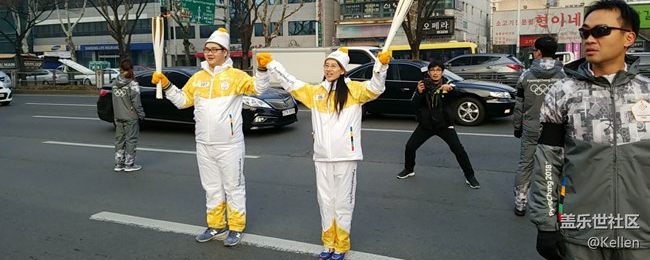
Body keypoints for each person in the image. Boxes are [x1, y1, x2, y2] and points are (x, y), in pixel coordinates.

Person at [530, 0, 650, 260]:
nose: (589, 39)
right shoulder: (562, 92)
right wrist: (546, 223)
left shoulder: (647, 92)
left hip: (642, 237)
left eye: (601, 31)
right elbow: (547, 163)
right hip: (580, 236)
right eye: (585, 32)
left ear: (629, 37)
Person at [264, 47, 390, 260]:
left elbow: (377, 88)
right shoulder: (316, 93)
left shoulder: (355, 91)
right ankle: (328, 243)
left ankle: (341, 245)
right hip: (322, 157)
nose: (329, 69)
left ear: (342, 70)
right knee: (326, 201)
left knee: (343, 203)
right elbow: (292, 83)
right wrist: (272, 65)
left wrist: (381, 66)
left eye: (334, 66)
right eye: (327, 65)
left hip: (346, 157)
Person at [151, 28, 270, 247]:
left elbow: (259, 89)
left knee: (233, 186)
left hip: (229, 144)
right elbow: (182, 101)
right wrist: (166, 85)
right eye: (207, 49)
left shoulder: (236, 77)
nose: (209, 53)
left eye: (215, 49)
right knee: (212, 187)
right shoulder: (198, 78)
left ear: (225, 52)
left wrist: (262, 69)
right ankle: (215, 224)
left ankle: (236, 227)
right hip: (204, 143)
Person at [396, 60, 480, 189]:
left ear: (442, 72)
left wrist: (450, 89)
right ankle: (409, 169)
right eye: (433, 70)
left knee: (458, 150)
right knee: (410, 146)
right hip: (426, 125)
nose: (435, 73)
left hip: (444, 125)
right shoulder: (423, 85)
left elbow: (458, 94)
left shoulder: (448, 84)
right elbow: (413, 105)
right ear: (429, 72)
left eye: (438, 70)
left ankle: (470, 176)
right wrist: (418, 92)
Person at [512, 36, 565, 217]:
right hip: (557, 129)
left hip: (531, 126)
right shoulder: (564, 76)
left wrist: (517, 126)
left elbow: (519, 105)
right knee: (555, 166)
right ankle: (555, 205)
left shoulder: (525, 76)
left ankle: (521, 203)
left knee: (525, 164)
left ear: (539, 52)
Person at [112, 58, 145, 172]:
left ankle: (118, 163)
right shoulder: (132, 83)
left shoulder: (115, 82)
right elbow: (136, 101)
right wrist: (141, 114)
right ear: (131, 68)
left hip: (118, 115)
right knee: (131, 140)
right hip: (130, 116)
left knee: (119, 140)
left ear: (121, 69)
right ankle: (129, 164)